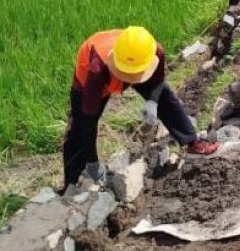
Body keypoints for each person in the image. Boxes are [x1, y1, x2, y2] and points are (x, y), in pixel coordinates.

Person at [62, 26, 219, 188]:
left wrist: (153, 101)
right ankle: (72, 185)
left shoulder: (154, 52)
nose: (130, 79)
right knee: (78, 129)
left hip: (132, 63)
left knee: (165, 96)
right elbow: (89, 119)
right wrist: (93, 162)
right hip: (94, 74)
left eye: (134, 75)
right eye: (127, 75)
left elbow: (158, 81)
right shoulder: (96, 69)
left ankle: (192, 142)